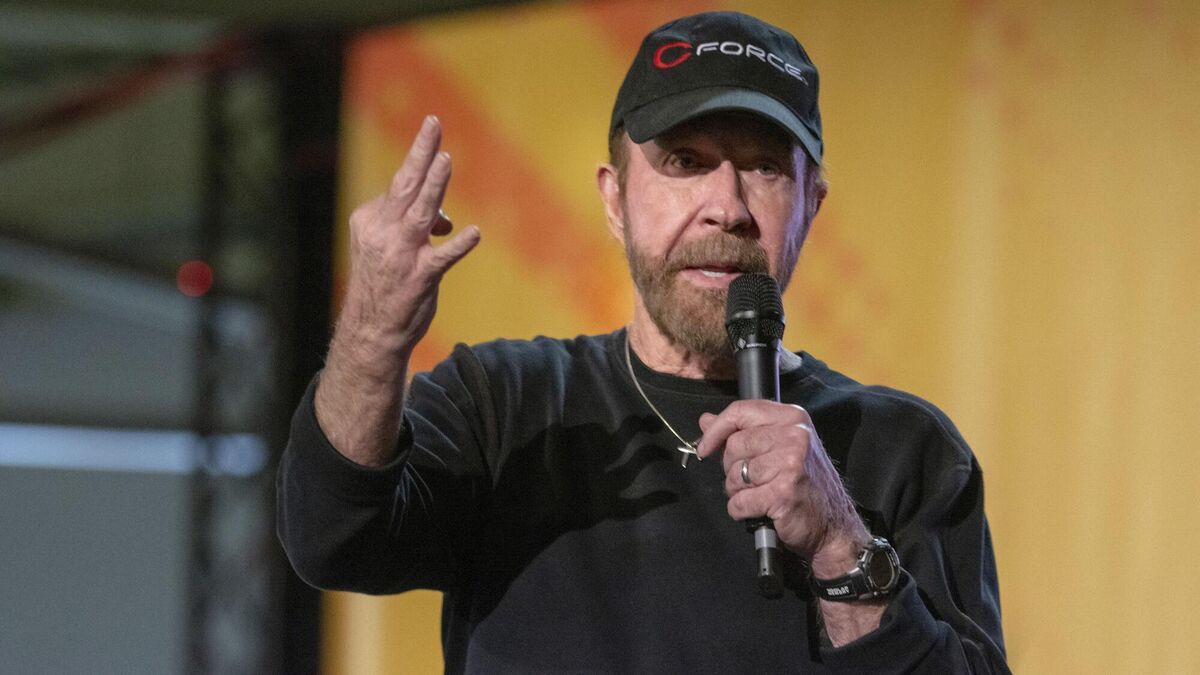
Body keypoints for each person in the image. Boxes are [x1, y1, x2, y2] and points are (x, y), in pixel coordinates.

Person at [277, 11, 1009, 674]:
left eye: (763, 166)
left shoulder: (904, 448)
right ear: (615, 199)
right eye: (686, 161)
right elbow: (331, 539)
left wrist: (839, 544)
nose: (727, 207)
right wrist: (372, 335)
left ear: (810, 204)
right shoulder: (502, 404)